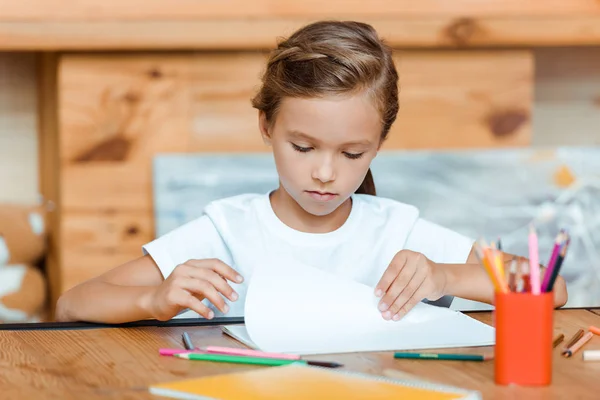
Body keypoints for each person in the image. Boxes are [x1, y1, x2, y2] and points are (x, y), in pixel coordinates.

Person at [55, 20, 567, 324]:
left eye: (352, 154)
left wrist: (445, 275)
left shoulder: (396, 229)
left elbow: (550, 286)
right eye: (302, 146)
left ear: (379, 144)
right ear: (266, 126)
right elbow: (73, 302)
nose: (325, 173)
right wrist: (153, 298)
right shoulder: (227, 230)